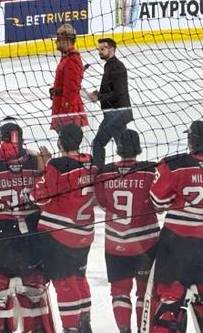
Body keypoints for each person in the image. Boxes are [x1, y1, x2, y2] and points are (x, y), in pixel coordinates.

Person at [148, 120, 203, 333]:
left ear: (190, 141)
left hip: (179, 244)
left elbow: (157, 203)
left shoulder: (173, 164)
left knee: (170, 300)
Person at [0, 122, 54, 333]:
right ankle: (38, 326)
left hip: (0, 238)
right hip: (30, 237)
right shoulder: (36, 160)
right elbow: (46, 196)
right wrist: (47, 167)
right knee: (34, 283)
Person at [30, 122, 97, 333]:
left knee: (64, 283)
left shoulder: (57, 165)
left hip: (62, 235)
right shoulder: (91, 162)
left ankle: (71, 328)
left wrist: (43, 168)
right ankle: (85, 324)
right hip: (85, 233)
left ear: (59, 141)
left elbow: (40, 198)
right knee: (79, 278)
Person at [95, 129, 159, 333]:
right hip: (145, 243)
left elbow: (103, 203)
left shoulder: (104, 173)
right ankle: (143, 329)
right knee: (144, 292)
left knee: (120, 292)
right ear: (138, 148)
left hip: (115, 244)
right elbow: (160, 202)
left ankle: (124, 330)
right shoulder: (150, 171)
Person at [88, 38, 133, 168]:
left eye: (102, 49)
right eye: (99, 49)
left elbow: (119, 93)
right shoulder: (109, 65)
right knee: (122, 144)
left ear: (111, 50)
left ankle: (98, 171)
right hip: (113, 113)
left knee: (99, 142)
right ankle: (129, 166)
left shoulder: (117, 66)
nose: (99, 52)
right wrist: (98, 93)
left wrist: (99, 97)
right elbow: (111, 89)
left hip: (118, 113)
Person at [50, 24, 88, 131]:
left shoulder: (72, 59)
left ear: (66, 40)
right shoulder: (67, 57)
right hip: (62, 107)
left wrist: (65, 113)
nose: (56, 42)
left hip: (67, 110)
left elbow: (70, 89)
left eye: (58, 39)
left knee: (68, 143)